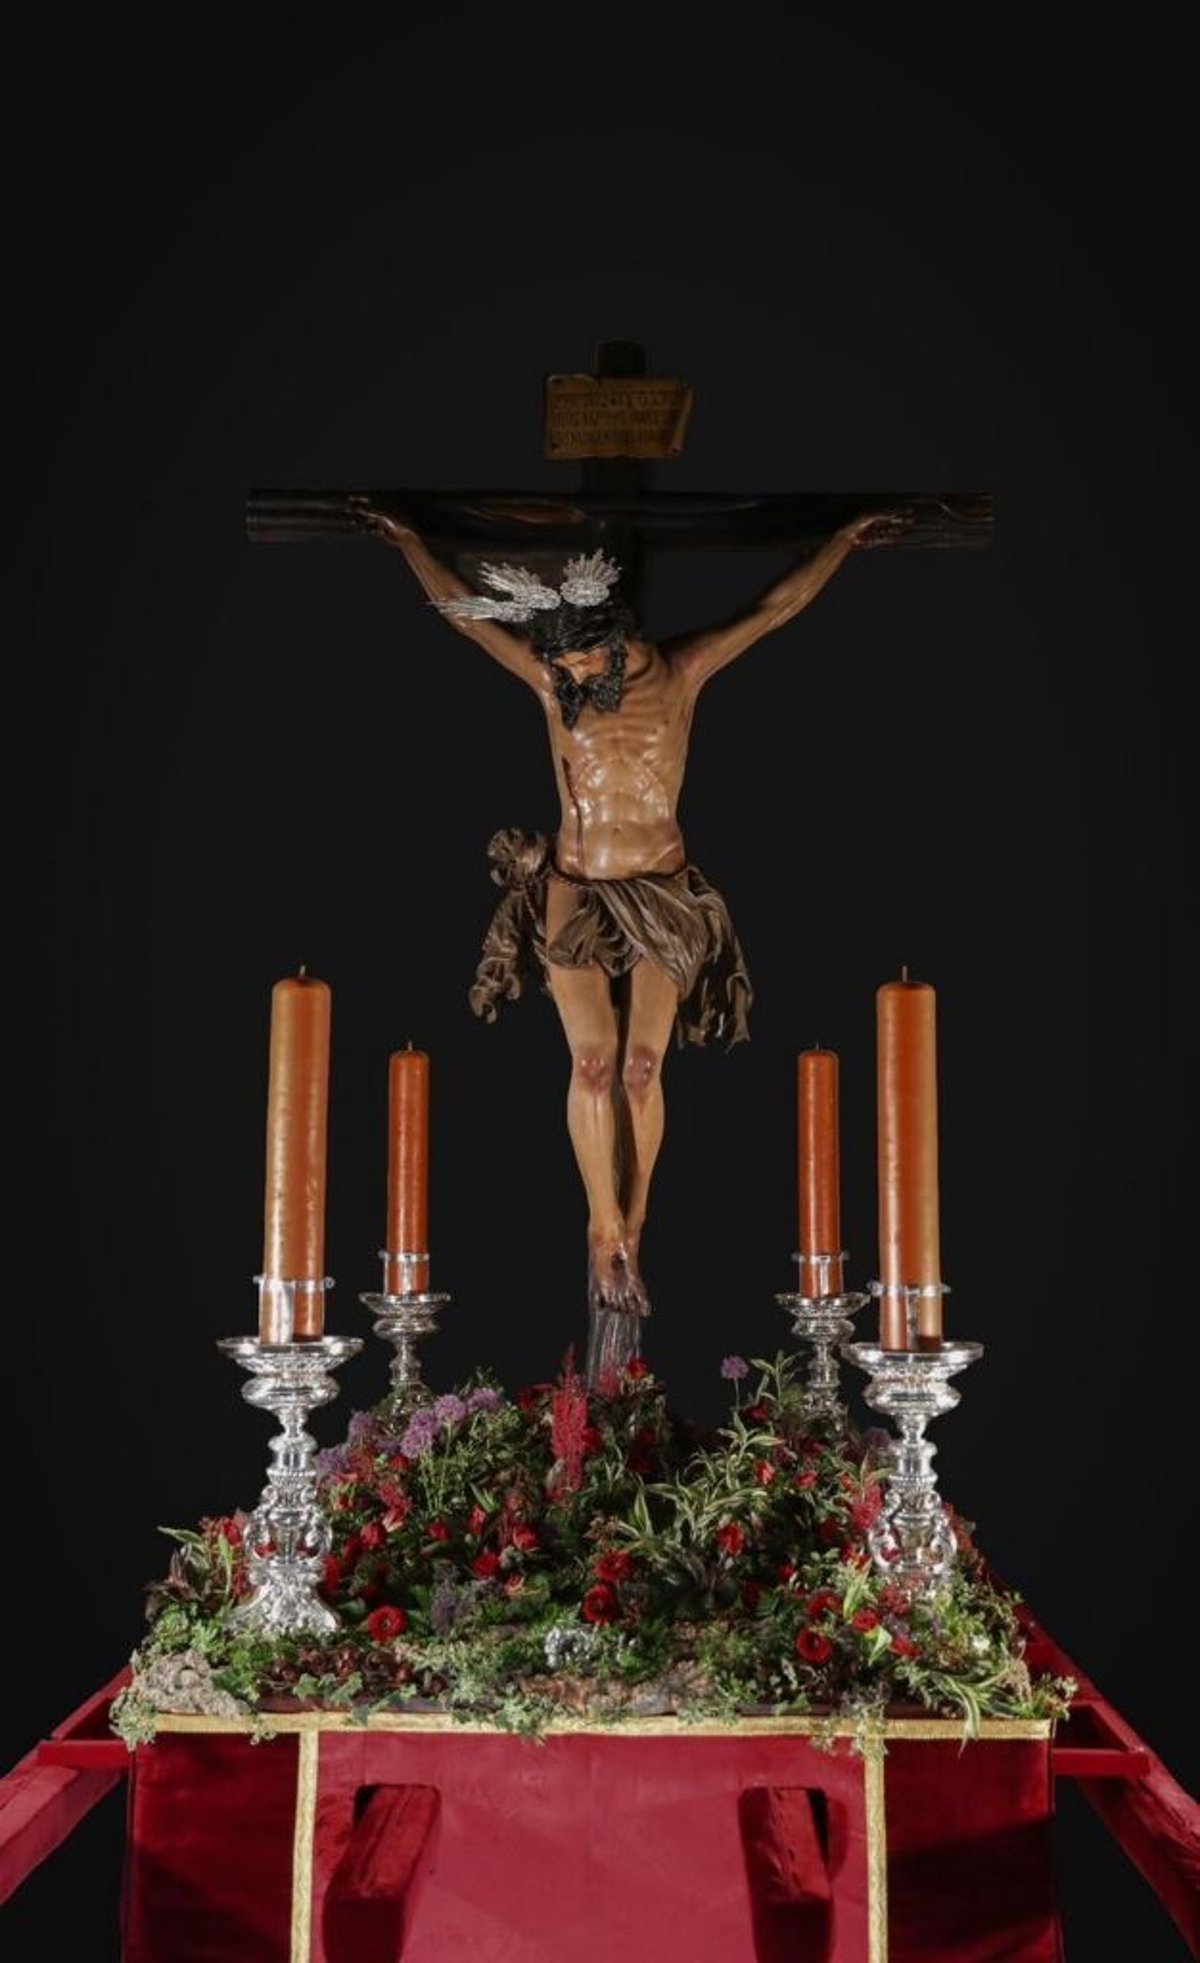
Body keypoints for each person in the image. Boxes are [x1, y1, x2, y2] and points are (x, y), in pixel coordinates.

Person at [353, 499, 903, 1377]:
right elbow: (466, 619)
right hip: (575, 885)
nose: (567, 679)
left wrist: (839, 541)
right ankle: (599, 1223)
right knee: (592, 1064)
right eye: (560, 665)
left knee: (643, 1066)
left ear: (614, 643)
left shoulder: (680, 674)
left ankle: (633, 1222)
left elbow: (776, 607)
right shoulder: (552, 681)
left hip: (659, 886)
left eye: (579, 664)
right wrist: (412, 543)